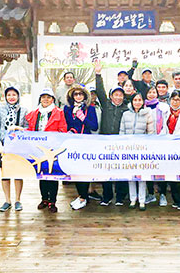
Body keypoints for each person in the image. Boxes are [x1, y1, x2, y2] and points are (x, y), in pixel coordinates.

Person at [26, 88, 67, 213]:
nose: (45, 100)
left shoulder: (59, 113)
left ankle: (52, 201)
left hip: (53, 149)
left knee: (53, 175)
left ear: (52, 99)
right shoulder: (34, 113)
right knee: (42, 174)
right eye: (43, 97)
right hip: (38, 148)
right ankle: (44, 199)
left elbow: (63, 130)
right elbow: (30, 130)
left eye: (48, 97)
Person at [94, 61, 129, 206]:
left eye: (121, 95)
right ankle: (107, 195)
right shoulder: (106, 104)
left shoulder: (127, 108)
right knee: (105, 170)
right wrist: (98, 74)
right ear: (111, 96)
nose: (118, 97)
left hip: (121, 144)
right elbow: (100, 90)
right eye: (116, 95)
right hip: (105, 142)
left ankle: (120, 196)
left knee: (121, 170)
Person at [0, 86, 28, 212]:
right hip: (3, 145)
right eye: (9, 95)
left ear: (18, 96)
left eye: (14, 94)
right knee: (5, 173)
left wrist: (19, 129)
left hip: (18, 145)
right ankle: (7, 200)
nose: (11, 97)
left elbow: (28, 127)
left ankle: (18, 200)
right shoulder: (0, 109)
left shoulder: (24, 110)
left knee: (18, 173)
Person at [64, 85, 99, 210]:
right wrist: (70, 131)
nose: (78, 96)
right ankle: (81, 195)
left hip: (86, 143)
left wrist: (83, 118)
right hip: (72, 143)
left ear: (84, 96)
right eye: (76, 94)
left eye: (81, 94)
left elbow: (94, 126)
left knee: (84, 171)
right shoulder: (67, 109)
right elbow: (65, 125)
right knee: (75, 171)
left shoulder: (90, 109)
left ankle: (84, 197)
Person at [120, 92, 155, 210]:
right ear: (131, 101)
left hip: (142, 150)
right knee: (131, 176)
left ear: (143, 102)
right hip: (129, 150)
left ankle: (142, 200)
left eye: (139, 100)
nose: (137, 102)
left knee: (141, 176)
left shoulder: (148, 115)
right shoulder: (125, 114)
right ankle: (132, 199)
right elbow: (122, 132)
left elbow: (151, 133)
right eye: (135, 100)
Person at [144, 86, 170, 206]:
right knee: (148, 168)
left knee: (161, 169)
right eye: (149, 92)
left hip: (161, 141)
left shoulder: (164, 107)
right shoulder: (142, 107)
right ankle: (150, 194)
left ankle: (163, 194)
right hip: (147, 143)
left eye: (153, 92)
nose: (151, 94)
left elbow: (167, 124)